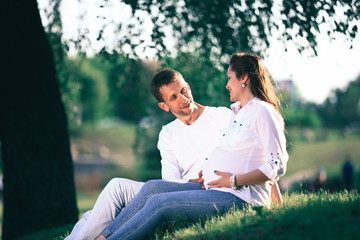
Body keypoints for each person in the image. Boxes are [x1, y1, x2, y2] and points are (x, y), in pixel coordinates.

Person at [97, 52, 289, 240]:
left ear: (244, 78)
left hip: (241, 197)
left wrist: (234, 181)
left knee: (161, 203)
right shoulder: (240, 113)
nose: (227, 84)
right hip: (216, 189)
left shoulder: (263, 111)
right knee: (152, 188)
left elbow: (275, 165)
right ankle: (103, 237)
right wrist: (206, 173)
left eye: (230, 78)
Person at [66, 69, 234, 240]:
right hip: (178, 187)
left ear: (188, 87)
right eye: (173, 97)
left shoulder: (222, 116)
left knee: (93, 216)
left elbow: (238, 155)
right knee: (116, 187)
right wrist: (189, 181)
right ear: (164, 106)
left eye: (183, 90)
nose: (183, 99)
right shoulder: (168, 133)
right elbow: (169, 179)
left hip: (207, 189)